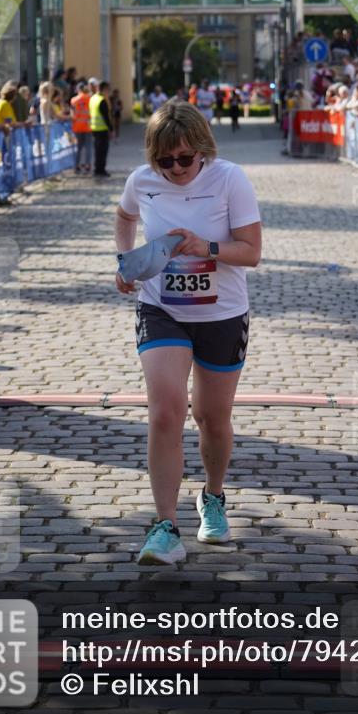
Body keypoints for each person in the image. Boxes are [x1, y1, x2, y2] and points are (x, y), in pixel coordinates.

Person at [114, 101, 261, 565]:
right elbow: (124, 217)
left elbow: (252, 251)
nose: (176, 168)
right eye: (165, 160)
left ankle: (213, 496)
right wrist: (125, 262)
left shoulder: (229, 178)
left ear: (202, 149)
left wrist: (208, 248)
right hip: (162, 309)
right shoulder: (142, 181)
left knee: (211, 418)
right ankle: (165, 527)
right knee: (165, 412)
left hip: (223, 313)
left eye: (185, 158)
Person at [90, 80, 113, 177]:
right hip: (102, 129)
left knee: (97, 150)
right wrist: (111, 129)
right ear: (103, 89)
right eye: (108, 89)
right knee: (102, 151)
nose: (109, 91)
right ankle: (101, 170)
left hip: (94, 128)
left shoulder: (93, 98)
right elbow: (105, 116)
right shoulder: (102, 100)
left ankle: (97, 169)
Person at [70, 80, 92, 173]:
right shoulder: (89, 99)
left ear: (78, 89)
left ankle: (76, 166)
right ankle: (87, 165)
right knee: (88, 148)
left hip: (77, 127)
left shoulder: (73, 100)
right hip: (87, 127)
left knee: (78, 148)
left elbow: (72, 114)